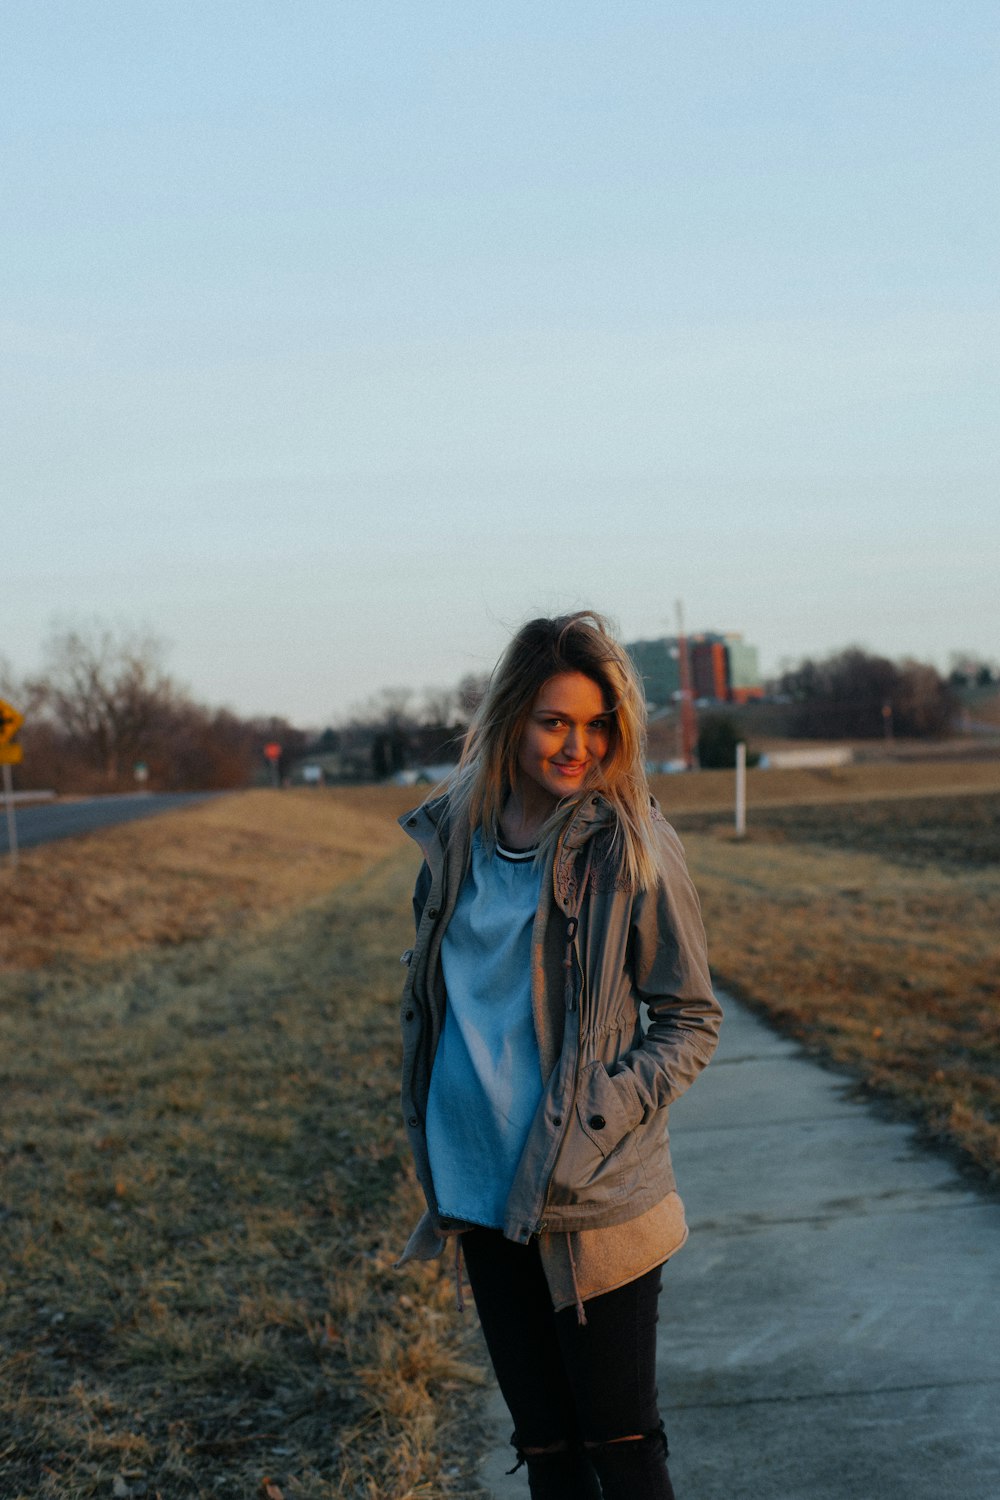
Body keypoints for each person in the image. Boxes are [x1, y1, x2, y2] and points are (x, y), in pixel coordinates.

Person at [397, 612, 722, 1500]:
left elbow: (690, 1017)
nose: (577, 745)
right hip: (478, 1187)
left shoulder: (631, 845)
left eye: (596, 724)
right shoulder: (455, 833)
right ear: (512, 718)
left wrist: (597, 1116)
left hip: (593, 1196)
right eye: (554, 721)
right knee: (544, 1449)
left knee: (620, 1442)